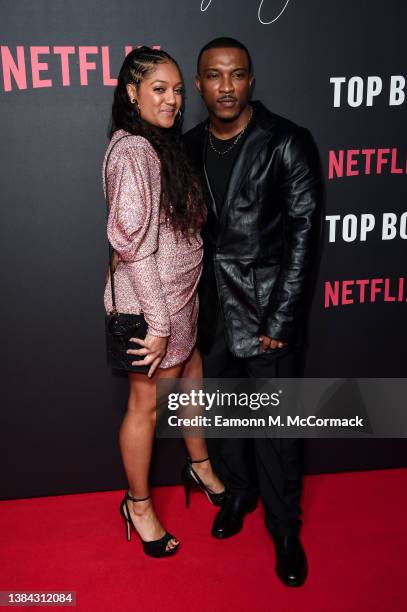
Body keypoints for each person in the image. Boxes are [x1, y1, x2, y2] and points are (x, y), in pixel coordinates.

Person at [183, 37, 321, 585]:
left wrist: (282, 319)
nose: (225, 87)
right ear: (199, 85)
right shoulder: (189, 146)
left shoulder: (286, 141)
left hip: (267, 315)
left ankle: (285, 528)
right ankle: (239, 496)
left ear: (250, 81)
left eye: (236, 75)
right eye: (214, 76)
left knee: (279, 431)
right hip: (211, 312)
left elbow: (304, 236)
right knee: (225, 419)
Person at [103, 46, 225, 559]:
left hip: (180, 300)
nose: (173, 99)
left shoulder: (159, 144)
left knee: (193, 369)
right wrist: (157, 325)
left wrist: (177, 313)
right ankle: (139, 503)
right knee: (146, 407)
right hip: (151, 308)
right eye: (160, 89)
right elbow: (133, 249)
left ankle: (198, 464)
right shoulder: (132, 151)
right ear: (132, 93)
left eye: (177, 89)